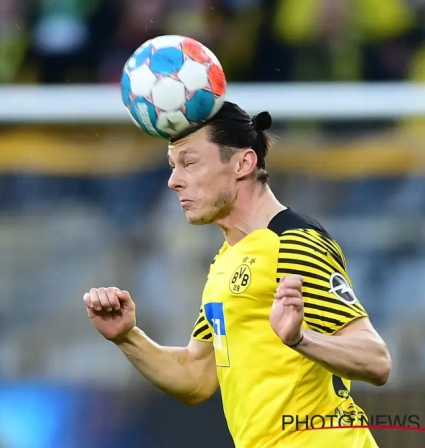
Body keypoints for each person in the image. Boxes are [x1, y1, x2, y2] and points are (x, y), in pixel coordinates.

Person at [82, 102, 391, 448]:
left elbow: (376, 360)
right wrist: (127, 337)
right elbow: (197, 377)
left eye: (190, 163)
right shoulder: (226, 260)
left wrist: (300, 340)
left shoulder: (293, 242)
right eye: (172, 166)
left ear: (243, 163)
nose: (173, 181)